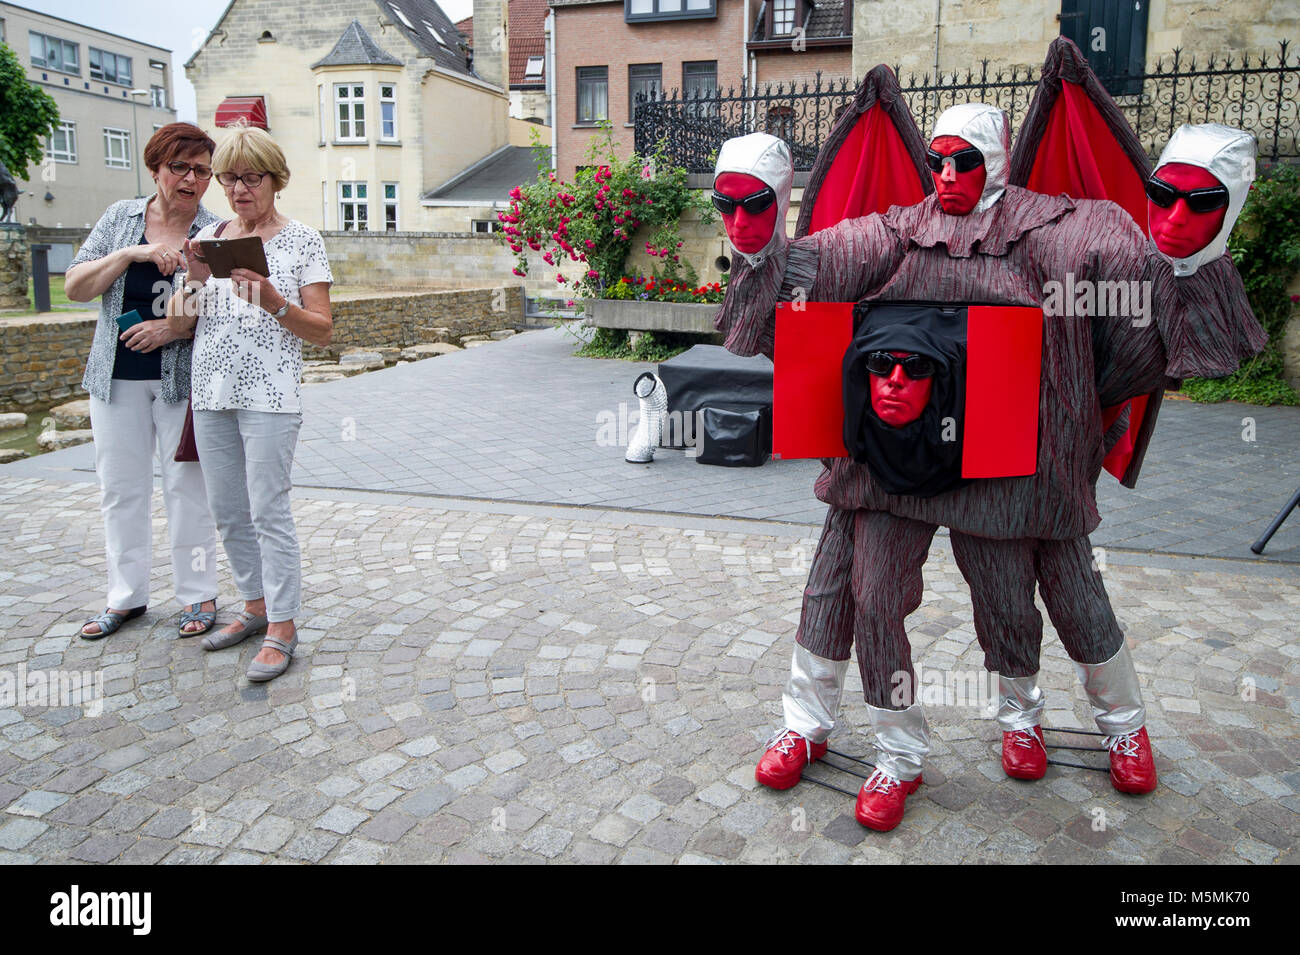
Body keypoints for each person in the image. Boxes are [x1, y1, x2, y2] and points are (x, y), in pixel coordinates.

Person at [716, 106, 1262, 830]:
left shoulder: (1070, 231)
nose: (947, 177)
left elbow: (1151, 294)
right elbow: (812, 268)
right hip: (892, 457)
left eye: (964, 161)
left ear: (998, 160)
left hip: (1020, 464)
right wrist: (760, 226)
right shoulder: (897, 232)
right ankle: (861, 740)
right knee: (853, 591)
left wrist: (1194, 244)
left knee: (1055, 599)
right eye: (936, 161)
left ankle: (1082, 721)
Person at [167, 124, 333, 682]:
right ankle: (254, 608)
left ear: (274, 180)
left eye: (250, 178)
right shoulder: (212, 235)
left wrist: (273, 302)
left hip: (269, 396)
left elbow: (323, 331)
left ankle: (283, 625)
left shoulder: (302, 240)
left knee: (268, 511)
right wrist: (190, 278)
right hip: (211, 392)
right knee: (229, 513)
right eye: (229, 178)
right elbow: (182, 322)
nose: (238, 189)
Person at [64, 122, 221, 641]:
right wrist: (129, 254)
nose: (191, 178)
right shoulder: (120, 218)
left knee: (187, 488)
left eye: (202, 169)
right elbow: (75, 287)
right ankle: (125, 598)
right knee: (120, 489)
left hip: (182, 381)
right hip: (114, 379)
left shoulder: (214, 233)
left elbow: (219, 312)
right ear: (156, 169)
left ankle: (198, 594)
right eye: (180, 167)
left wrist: (169, 329)